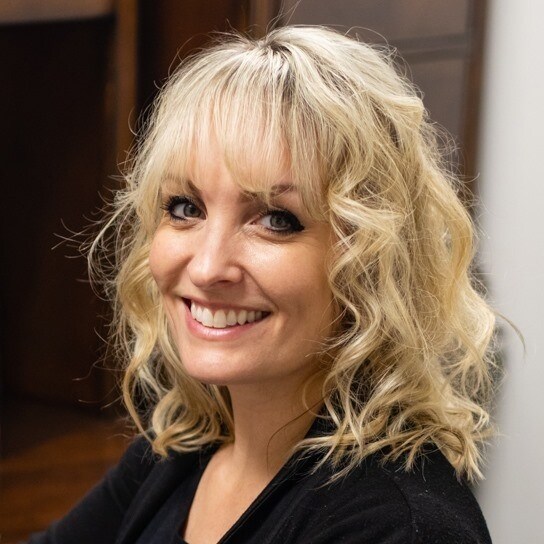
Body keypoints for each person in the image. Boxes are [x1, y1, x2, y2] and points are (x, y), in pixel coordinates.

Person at [28, 25, 496, 543]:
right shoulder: (183, 446)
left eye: (275, 219)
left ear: (370, 261)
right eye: (185, 208)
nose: (207, 267)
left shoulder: (397, 529)